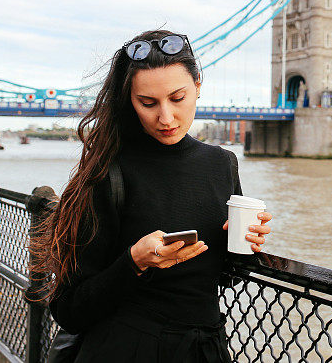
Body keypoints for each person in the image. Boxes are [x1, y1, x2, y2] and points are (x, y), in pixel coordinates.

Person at [34, 29, 272, 362]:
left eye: (178, 98)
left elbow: (223, 278)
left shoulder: (222, 163)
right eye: (148, 103)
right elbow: (69, 309)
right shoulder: (108, 173)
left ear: (198, 87)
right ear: (129, 101)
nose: (166, 117)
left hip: (205, 350)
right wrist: (134, 262)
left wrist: (246, 246)